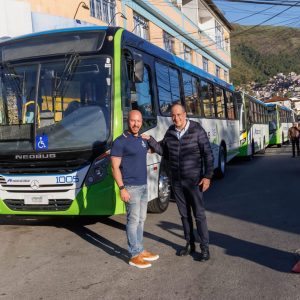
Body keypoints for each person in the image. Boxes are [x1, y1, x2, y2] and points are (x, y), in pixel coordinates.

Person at [143, 103, 214, 261]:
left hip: (194, 181)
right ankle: (189, 244)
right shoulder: (170, 131)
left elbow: (208, 154)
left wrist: (208, 176)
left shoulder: (197, 130)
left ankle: (204, 247)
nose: (176, 118)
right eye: (173, 116)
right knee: (184, 215)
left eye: (179, 115)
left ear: (185, 114)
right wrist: (151, 140)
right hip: (177, 181)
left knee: (199, 215)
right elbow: (164, 150)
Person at [110, 110, 159, 269]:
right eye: (133, 121)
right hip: (130, 187)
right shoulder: (120, 142)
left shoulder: (141, 139)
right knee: (133, 220)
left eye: (138, 121)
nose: (136, 124)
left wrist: (151, 139)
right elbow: (114, 168)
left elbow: (153, 150)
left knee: (141, 219)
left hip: (143, 186)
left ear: (141, 122)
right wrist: (122, 188)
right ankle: (134, 254)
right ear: (128, 121)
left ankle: (140, 249)